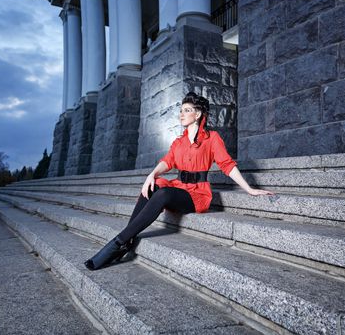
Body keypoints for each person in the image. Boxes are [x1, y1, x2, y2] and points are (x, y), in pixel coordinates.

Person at [84, 92, 274, 270]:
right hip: (179, 186)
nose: (181, 114)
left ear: (198, 114)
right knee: (153, 186)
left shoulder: (212, 138)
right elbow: (167, 162)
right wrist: (151, 175)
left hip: (196, 194)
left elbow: (227, 165)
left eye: (186, 110)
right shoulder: (178, 142)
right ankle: (127, 241)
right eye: (181, 111)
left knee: (163, 192)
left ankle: (118, 242)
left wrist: (249, 189)